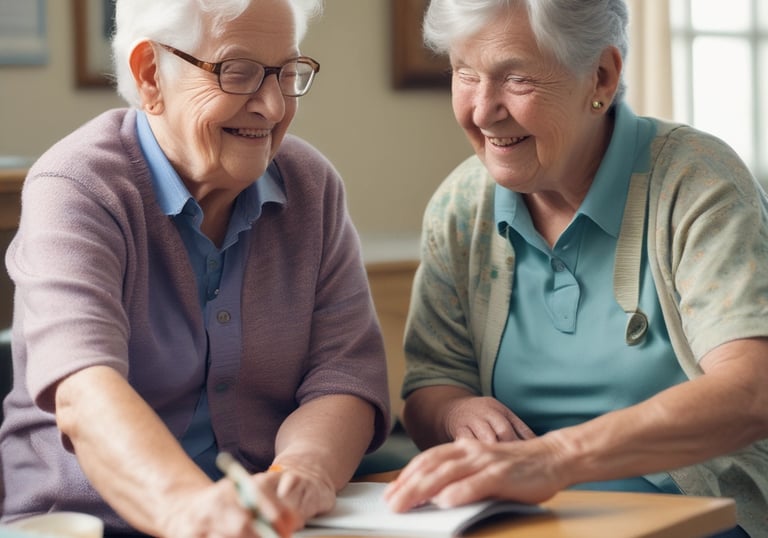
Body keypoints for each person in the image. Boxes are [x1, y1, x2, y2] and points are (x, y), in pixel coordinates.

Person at [0, 0, 391, 536]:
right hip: (91, 526)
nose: (273, 106)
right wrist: (191, 512)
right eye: (239, 72)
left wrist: (300, 474)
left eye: (284, 73)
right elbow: (83, 389)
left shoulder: (311, 186)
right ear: (150, 75)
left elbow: (344, 375)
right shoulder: (78, 189)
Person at [382, 1, 768, 536]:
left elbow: (751, 391)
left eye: (516, 78)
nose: (482, 109)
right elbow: (430, 387)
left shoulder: (697, 182)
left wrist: (554, 458)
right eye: (465, 74)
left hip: (690, 513)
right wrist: (454, 412)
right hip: (518, 516)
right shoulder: (461, 205)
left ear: (602, 77)